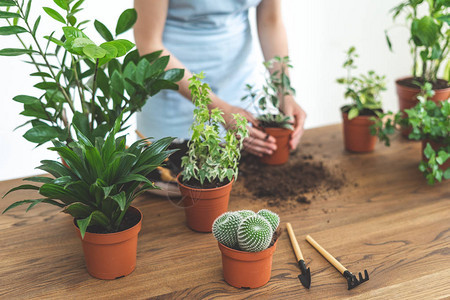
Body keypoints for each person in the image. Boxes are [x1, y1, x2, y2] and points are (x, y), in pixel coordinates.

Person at [134, 0, 306, 157]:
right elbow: (149, 46)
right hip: (173, 96)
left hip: (238, 91)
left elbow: (270, 21)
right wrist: (218, 108)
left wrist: (285, 92)